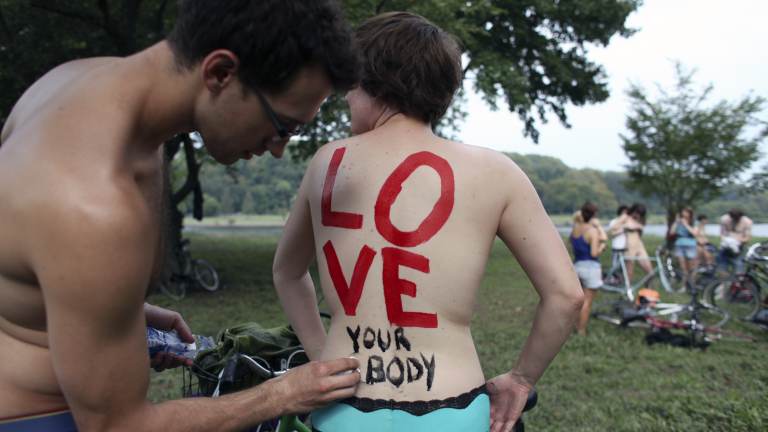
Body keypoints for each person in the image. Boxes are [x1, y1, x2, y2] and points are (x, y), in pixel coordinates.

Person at [0, 1, 363, 430]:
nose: (279, 147)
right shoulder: (93, 205)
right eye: (283, 125)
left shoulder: (74, 83)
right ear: (221, 74)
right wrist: (280, 393)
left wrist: (106, 304)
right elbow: (119, 426)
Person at [272, 12, 584, 432]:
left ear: (369, 81)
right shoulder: (497, 171)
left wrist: (320, 359)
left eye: (350, 85)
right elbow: (566, 296)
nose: (346, 98)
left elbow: (288, 272)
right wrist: (522, 379)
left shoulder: (329, 161)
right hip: (456, 408)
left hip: (344, 406)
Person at [570, 202, 608, 336]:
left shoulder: (575, 228)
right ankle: (581, 330)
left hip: (577, 266)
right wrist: (602, 248)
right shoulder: (592, 231)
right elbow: (594, 253)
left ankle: (572, 326)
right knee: (587, 302)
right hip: (591, 268)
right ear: (594, 215)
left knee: (577, 300)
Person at [667, 207, 698, 287]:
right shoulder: (678, 222)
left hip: (690, 245)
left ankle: (692, 285)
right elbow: (671, 232)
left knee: (691, 268)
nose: (684, 214)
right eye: (683, 212)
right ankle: (684, 285)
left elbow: (695, 233)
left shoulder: (693, 223)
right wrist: (676, 222)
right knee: (683, 268)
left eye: (686, 212)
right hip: (679, 245)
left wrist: (686, 224)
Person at [717, 208, 753, 274]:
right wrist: (727, 242)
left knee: (738, 266)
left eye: (736, 218)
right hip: (725, 247)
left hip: (739, 248)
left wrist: (737, 241)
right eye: (733, 218)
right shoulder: (724, 219)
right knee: (722, 266)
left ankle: (738, 281)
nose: (734, 220)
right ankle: (723, 281)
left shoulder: (747, 221)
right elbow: (722, 234)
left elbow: (747, 238)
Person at [624, 203, 652, 282]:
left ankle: (649, 291)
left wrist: (638, 225)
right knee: (629, 271)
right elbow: (620, 227)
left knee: (650, 271)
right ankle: (627, 291)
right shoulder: (626, 218)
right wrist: (634, 226)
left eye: (640, 214)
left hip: (639, 245)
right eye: (636, 213)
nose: (637, 215)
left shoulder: (640, 221)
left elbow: (640, 232)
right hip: (629, 245)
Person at [607, 205, 629, 276]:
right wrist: (621, 231)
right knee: (615, 266)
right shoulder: (613, 222)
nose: (625, 215)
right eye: (624, 212)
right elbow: (610, 235)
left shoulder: (628, 223)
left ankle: (622, 281)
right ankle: (611, 278)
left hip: (625, 248)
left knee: (624, 267)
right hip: (616, 247)